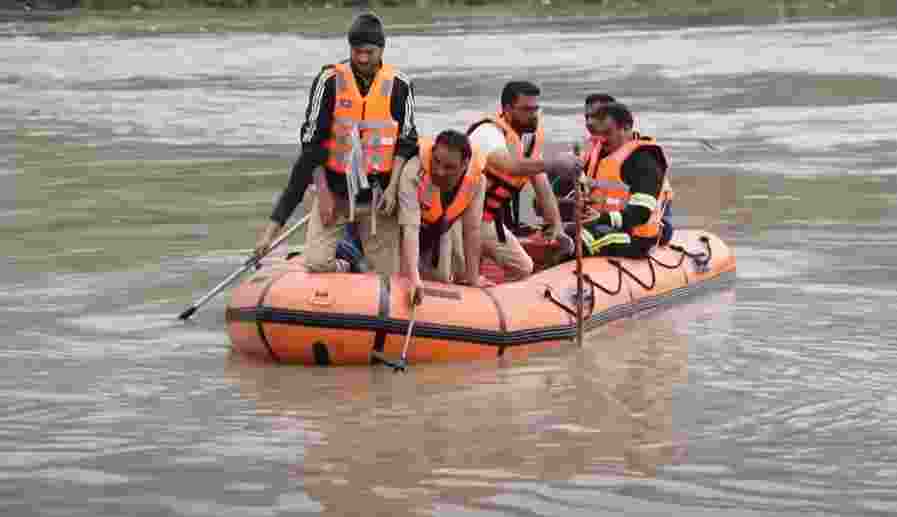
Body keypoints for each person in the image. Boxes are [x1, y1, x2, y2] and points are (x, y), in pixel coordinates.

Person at [253, 12, 419, 275]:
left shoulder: (400, 86)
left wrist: (393, 188)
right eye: (356, 51)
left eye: (369, 52)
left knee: (387, 277)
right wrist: (272, 232)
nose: (362, 58)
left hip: (379, 198)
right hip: (336, 193)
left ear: (382, 50)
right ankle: (346, 263)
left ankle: (364, 262)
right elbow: (310, 148)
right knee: (317, 263)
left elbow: (407, 142)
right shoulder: (329, 81)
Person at [465, 80, 580, 282]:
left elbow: (542, 185)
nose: (534, 115)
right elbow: (510, 166)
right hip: (461, 218)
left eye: (536, 109)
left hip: (488, 220)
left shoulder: (529, 139)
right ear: (508, 109)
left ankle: (496, 305)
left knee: (524, 268)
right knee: (457, 273)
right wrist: (554, 163)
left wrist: (557, 227)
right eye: (527, 109)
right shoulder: (487, 133)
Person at [562, 102, 674, 259]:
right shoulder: (602, 154)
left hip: (636, 238)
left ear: (627, 128)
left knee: (577, 242)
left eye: (608, 133)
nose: (602, 140)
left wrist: (600, 218)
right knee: (562, 235)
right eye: (599, 134)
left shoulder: (645, 160)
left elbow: (641, 213)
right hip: (603, 225)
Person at [395, 130, 492, 306]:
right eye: (437, 161)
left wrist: (473, 279)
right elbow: (410, 228)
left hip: (439, 229)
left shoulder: (477, 181)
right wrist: (414, 279)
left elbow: (472, 230)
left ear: (464, 165)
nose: (439, 171)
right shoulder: (413, 172)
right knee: (401, 280)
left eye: (449, 167)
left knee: (442, 279)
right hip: (402, 228)